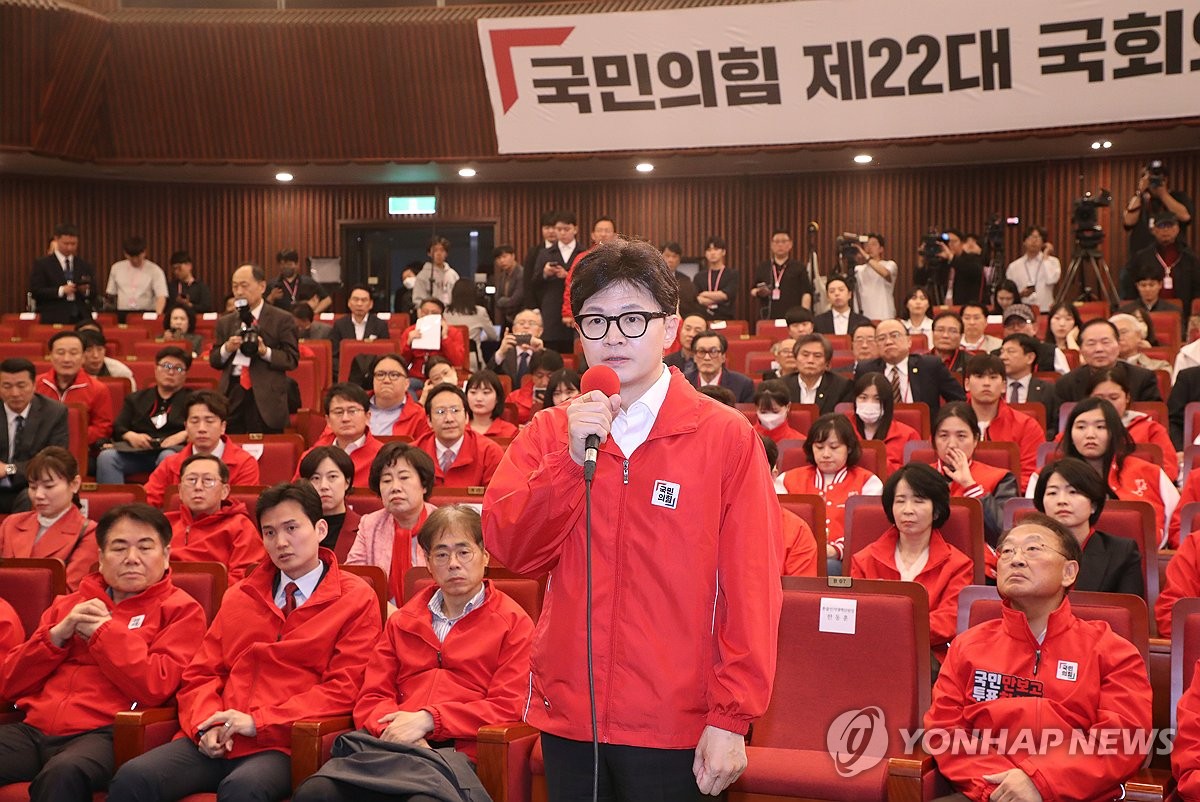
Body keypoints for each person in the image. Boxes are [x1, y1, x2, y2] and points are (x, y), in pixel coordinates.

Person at [483, 238, 782, 799]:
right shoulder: (552, 433)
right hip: (571, 717)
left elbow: (751, 587)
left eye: (633, 317)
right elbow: (510, 547)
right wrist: (570, 464)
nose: (613, 335)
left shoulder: (724, 437)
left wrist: (732, 715)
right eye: (595, 320)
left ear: (670, 329)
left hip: (677, 721)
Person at [107, 483, 382, 802]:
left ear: (320, 529)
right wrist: (203, 724)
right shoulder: (240, 595)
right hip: (219, 732)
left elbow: (344, 688)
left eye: (291, 528)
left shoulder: (356, 598)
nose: (281, 542)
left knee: (243, 788)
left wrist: (258, 722)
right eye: (269, 532)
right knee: (133, 778)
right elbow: (202, 674)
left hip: (284, 741)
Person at [291, 505, 535, 802]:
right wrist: (397, 730)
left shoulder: (513, 622)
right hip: (390, 746)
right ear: (428, 564)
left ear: (484, 556)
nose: (453, 564)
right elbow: (371, 696)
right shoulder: (403, 620)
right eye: (442, 555)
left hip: (459, 752)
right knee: (315, 792)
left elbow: (509, 705)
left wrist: (429, 719)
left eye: (464, 552)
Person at [925, 513, 1152, 802]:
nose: (1016, 559)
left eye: (1033, 549)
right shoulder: (966, 646)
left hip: (1077, 795)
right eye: (1007, 551)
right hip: (989, 792)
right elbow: (945, 731)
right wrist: (1002, 788)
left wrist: (1038, 781)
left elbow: (1122, 741)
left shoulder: (1111, 650)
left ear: (1069, 572)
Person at [0, 504, 207, 802]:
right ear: (100, 557)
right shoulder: (68, 604)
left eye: (145, 548)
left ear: (165, 555)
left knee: (63, 773)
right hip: (34, 728)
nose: (131, 559)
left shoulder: (182, 611)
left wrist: (104, 633)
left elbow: (156, 686)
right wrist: (55, 637)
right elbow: (10, 683)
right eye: (119, 548)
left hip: (106, 733)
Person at [850, 463, 975, 658]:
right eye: (900, 501)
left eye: (919, 501)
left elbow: (951, 620)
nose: (908, 510)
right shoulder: (865, 559)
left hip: (928, 656)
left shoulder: (958, 564)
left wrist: (896, 628)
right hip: (872, 653)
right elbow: (857, 613)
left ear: (936, 510)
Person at [1032, 398, 1177, 546]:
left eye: (1100, 427)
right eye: (1081, 427)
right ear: (1069, 434)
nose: (1090, 434)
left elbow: (1175, 524)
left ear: (1115, 432)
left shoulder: (1150, 473)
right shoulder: (1045, 477)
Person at [777, 413, 883, 571]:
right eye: (819, 447)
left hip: (845, 561)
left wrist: (837, 550)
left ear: (849, 448)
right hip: (796, 556)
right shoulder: (786, 480)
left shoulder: (868, 482)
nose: (826, 454)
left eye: (834, 447)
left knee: (830, 567)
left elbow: (868, 533)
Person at [211, 263, 301, 434]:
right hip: (233, 391)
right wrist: (227, 348)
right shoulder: (226, 321)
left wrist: (264, 351)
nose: (238, 292)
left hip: (266, 392)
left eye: (244, 286)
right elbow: (215, 360)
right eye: (234, 286)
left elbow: (291, 359)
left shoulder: (282, 319)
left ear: (262, 286)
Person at [1032, 458, 1143, 595]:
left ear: (1093, 505)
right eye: (1052, 493)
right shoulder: (1025, 551)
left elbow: (1128, 613)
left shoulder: (1122, 552)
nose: (1062, 501)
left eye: (1073, 492)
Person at [346, 442, 438, 606]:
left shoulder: (443, 525)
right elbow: (354, 578)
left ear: (424, 485)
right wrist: (387, 611)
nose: (395, 487)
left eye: (404, 478)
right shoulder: (370, 525)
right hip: (383, 616)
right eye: (387, 480)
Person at [0, 447, 96, 591]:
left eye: (49, 486)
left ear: (74, 484)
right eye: (33, 487)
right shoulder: (12, 523)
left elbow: (68, 591)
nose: (38, 495)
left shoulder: (89, 532)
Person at [143, 390, 261, 507]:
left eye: (209, 421)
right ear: (186, 427)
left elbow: (243, 508)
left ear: (223, 427)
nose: (201, 428)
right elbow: (147, 501)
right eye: (194, 421)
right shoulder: (170, 464)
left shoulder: (244, 464)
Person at [95, 345, 192, 484]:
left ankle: (164, 504)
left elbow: (202, 426)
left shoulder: (193, 400)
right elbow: (119, 426)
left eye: (178, 368)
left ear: (185, 374)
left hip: (174, 451)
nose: (171, 372)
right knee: (107, 457)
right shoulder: (136, 398)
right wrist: (130, 435)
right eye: (166, 366)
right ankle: (117, 505)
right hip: (137, 452)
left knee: (168, 456)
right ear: (155, 369)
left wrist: (184, 434)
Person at [164, 454, 265, 583]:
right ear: (180, 491)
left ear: (224, 491)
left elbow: (246, 578)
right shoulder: (163, 524)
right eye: (191, 480)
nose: (198, 487)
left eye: (208, 480)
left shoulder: (240, 525)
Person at [932, 402, 1018, 549]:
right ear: (933, 440)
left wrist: (970, 486)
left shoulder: (1001, 478)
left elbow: (1005, 535)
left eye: (961, 436)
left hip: (980, 563)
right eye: (943, 436)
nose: (952, 444)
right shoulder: (918, 478)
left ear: (975, 439)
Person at [964, 354, 1043, 493]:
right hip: (961, 497)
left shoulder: (1027, 425)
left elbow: (1031, 475)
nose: (986, 383)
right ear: (967, 384)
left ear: (1004, 386)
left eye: (993, 377)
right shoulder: (949, 424)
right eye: (979, 376)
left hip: (1009, 499)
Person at [0, 359, 70, 515]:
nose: (15, 393)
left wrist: (9, 469)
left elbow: (54, 460)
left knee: (30, 496)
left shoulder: (54, 412)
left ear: (34, 385)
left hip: (32, 485)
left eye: (21, 385)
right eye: (7, 386)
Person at [1087, 364, 1177, 482]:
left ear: (1127, 398)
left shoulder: (1151, 429)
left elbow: (1169, 471)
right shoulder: (1079, 429)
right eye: (1099, 398)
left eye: (1114, 398)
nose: (1107, 404)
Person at [855, 319, 965, 415]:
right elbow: (856, 406)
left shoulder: (929, 366)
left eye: (895, 335)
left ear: (909, 341)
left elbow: (958, 400)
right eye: (881, 338)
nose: (888, 342)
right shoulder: (866, 369)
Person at [414, 384, 504, 488]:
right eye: (440, 412)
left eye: (455, 411)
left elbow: (497, 499)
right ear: (429, 420)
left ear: (466, 417)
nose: (449, 419)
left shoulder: (489, 452)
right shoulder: (414, 453)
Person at [296, 383, 383, 489]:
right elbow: (296, 496)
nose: (345, 418)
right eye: (338, 412)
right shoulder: (310, 457)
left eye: (352, 411)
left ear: (367, 416)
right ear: (328, 420)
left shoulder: (382, 456)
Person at [1055, 319, 1162, 403]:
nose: (1099, 349)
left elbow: (1151, 419)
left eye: (1105, 342)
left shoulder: (1142, 379)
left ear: (1118, 345)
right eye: (1091, 344)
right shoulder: (1066, 384)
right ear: (1081, 349)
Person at [1125, 212, 1199, 331]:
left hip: (1183, 314)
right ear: (1153, 230)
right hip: (1145, 313)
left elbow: (1196, 289)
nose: (1165, 231)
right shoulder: (1142, 257)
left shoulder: (1189, 258)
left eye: (1169, 226)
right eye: (1161, 227)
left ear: (1177, 229)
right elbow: (1130, 286)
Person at [758, 435, 819, 578]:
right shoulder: (706, 524)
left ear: (773, 476)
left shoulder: (796, 531)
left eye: (755, 469)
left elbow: (798, 595)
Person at [36, 330, 113, 444]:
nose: (67, 359)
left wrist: (71, 436)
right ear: (50, 356)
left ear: (83, 358)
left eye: (73, 353)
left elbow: (103, 428)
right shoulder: (36, 384)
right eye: (60, 352)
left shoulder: (98, 389)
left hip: (82, 448)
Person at [1122, 159, 1194, 261]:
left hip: (1174, 257)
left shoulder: (1179, 197)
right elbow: (1128, 222)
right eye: (1151, 177)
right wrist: (1139, 193)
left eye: (1159, 177)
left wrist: (1163, 194)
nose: (1155, 180)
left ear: (1166, 179)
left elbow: (1185, 217)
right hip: (1142, 258)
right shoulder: (1139, 200)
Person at [299, 446, 361, 562]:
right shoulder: (296, 528)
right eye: (315, 478)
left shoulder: (364, 528)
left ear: (347, 482)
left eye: (332, 477)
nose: (323, 486)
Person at [529, 213, 580, 354]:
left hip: (575, 309)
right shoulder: (545, 253)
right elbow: (533, 283)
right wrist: (545, 273)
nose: (562, 233)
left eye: (566, 229)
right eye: (559, 229)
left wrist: (568, 275)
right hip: (551, 310)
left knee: (575, 351)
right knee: (550, 352)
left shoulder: (582, 252)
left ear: (575, 229)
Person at [851, 372, 921, 472]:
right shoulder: (842, 431)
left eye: (877, 399)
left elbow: (915, 474)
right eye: (863, 397)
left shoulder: (908, 435)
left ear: (887, 403)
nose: (869, 403)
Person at [29, 223, 97, 325]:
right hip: (54, 316)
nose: (70, 248)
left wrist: (85, 291)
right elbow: (36, 291)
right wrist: (61, 290)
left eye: (73, 244)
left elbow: (95, 291)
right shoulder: (42, 264)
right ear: (56, 239)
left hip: (81, 317)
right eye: (66, 244)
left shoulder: (84, 265)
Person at [999, 333, 1061, 437]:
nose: (1003, 357)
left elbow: (1055, 427)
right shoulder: (994, 387)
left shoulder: (1048, 390)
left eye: (1010, 352)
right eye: (1002, 352)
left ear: (1030, 358)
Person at [399, 298, 468, 381]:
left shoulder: (453, 332)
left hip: (442, 376)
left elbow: (457, 361)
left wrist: (445, 337)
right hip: (417, 377)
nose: (429, 315)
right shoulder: (410, 332)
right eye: (425, 312)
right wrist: (408, 343)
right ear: (419, 313)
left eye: (434, 313)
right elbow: (401, 363)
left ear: (441, 316)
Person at [365, 354, 431, 440]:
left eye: (394, 375)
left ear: (406, 383)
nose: (386, 380)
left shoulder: (419, 416)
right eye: (380, 375)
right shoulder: (356, 406)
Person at [751, 228, 813, 320]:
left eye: (784, 241)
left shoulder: (799, 267)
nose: (780, 245)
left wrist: (803, 315)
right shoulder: (763, 267)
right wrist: (759, 292)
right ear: (771, 245)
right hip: (768, 315)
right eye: (776, 242)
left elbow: (806, 293)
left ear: (790, 244)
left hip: (793, 316)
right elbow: (753, 290)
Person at [330, 284, 390, 378]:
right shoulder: (339, 325)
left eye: (364, 300)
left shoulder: (380, 325)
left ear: (371, 304)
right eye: (355, 299)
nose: (359, 303)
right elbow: (334, 356)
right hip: (347, 375)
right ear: (349, 303)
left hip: (373, 376)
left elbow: (385, 354)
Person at [782, 334, 851, 414]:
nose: (810, 360)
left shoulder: (842, 387)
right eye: (805, 355)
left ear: (827, 363)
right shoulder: (781, 385)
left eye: (817, 356)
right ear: (796, 359)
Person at [999, 303, 1069, 374]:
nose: (1016, 328)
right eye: (1010, 324)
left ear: (1034, 328)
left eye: (1021, 323)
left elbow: (1066, 381)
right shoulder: (996, 355)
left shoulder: (1052, 352)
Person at [444, 278, 498, 371]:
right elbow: (493, 336)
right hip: (473, 359)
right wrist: (479, 336)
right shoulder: (480, 312)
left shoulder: (445, 312)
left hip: (449, 358)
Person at [687, 329, 755, 403]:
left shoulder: (743, 384)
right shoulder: (684, 383)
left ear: (723, 357)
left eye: (713, 351)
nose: (707, 358)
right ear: (694, 357)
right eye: (701, 351)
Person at [105, 236, 168, 316]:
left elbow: (161, 297)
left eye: (138, 257)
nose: (135, 260)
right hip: (122, 313)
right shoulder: (116, 268)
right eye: (131, 257)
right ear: (125, 254)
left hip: (146, 313)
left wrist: (157, 316)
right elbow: (111, 294)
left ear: (144, 252)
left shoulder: (155, 270)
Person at [1005, 224, 1061, 311]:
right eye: (1030, 237)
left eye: (1037, 238)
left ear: (1043, 242)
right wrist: (1020, 294)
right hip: (1021, 309)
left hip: (1046, 309)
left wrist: (1045, 257)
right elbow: (1008, 293)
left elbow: (1051, 280)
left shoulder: (1053, 262)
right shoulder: (1014, 266)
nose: (1033, 241)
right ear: (1024, 241)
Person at [266, 248, 331, 313]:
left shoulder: (309, 282)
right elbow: (263, 307)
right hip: (281, 321)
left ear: (297, 264)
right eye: (282, 264)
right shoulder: (272, 285)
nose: (285, 267)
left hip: (304, 320)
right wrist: (271, 297)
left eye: (289, 264)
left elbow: (327, 300)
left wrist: (313, 313)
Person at [493, 308, 545, 385]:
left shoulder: (547, 354)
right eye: (521, 323)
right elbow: (488, 377)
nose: (526, 327)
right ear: (514, 329)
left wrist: (541, 353)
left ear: (540, 331)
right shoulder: (504, 354)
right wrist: (501, 353)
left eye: (532, 323)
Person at [852, 232, 897, 321]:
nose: (869, 247)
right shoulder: (858, 269)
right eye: (866, 245)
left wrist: (866, 256)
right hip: (863, 317)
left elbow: (884, 273)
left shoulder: (889, 264)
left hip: (884, 315)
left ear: (881, 249)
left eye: (873, 244)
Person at [694, 235, 739, 321]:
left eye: (716, 249)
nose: (712, 253)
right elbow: (697, 299)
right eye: (709, 250)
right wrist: (717, 299)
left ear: (723, 252)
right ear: (705, 254)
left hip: (725, 318)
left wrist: (704, 294)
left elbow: (725, 295)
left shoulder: (732, 274)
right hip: (704, 318)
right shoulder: (699, 276)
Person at [410, 236, 461, 312]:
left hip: (451, 313)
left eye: (442, 250)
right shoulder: (423, 275)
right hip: (431, 314)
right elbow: (418, 299)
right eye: (435, 250)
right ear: (429, 253)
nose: (439, 253)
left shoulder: (453, 274)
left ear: (446, 253)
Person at [465, 370, 518, 438]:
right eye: (473, 392)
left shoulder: (511, 432)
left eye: (486, 392)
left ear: (497, 398)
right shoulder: (458, 430)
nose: (479, 398)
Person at [938, 228, 985, 305]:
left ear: (962, 243)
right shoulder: (941, 261)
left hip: (965, 305)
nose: (950, 244)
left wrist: (951, 258)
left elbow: (975, 271)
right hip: (942, 305)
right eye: (947, 242)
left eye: (953, 241)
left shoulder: (971, 258)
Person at [752, 379, 805, 444]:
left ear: (788, 407)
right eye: (763, 412)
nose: (769, 418)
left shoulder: (799, 442)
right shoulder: (747, 438)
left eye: (775, 411)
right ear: (756, 407)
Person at [663, 241, 704, 320]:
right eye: (667, 256)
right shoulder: (653, 277)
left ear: (679, 260)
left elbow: (691, 304)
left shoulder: (686, 280)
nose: (670, 260)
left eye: (674, 256)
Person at [165, 250, 212, 315]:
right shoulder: (171, 287)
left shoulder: (200, 287)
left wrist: (190, 305)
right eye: (174, 269)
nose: (176, 272)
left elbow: (207, 307)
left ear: (189, 266)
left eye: (179, 268)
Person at [663, 313, 707, 380]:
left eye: (697, 330)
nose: (691, 334)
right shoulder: (666, 362)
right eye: (687, 329)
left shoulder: (709, 362)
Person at [492, 244, 524, 329]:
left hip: (520, 319)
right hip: (506, 319)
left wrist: (503, 301)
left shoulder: (521, 274)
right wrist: (504, 302)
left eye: (504, 256)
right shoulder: (502, 276)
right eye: (498, 258)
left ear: (513, 256)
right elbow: (497, 299)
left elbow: (516, 300)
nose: (502, 261)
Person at [930, 311, 969, 377]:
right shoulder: (918, 362)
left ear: (961, 336)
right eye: (940, 330)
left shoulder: (971, 362)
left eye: (952, 331)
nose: (945, 335)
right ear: (932, 333)